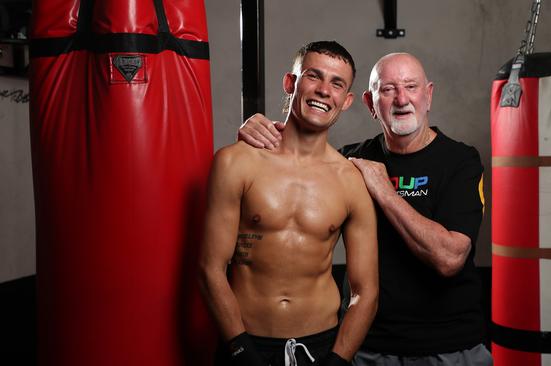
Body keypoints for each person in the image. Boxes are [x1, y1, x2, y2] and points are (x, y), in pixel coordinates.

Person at [238, 52, 491, 366]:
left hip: (450, 347)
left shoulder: (460, 161)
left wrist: (384, 190)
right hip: (368, 348)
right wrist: (257, 135)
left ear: (428, 95)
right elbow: (288, 189)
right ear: (371, 104)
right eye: (388, 90)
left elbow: (449, 258)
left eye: (411, 87)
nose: (401, 99)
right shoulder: (350, 161)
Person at [199, 41, 378, 366]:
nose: (324, 90)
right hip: (243, 342)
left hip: (321, 347)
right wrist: (242, 352)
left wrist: (339, 360)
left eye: (337, 83)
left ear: (347, 100)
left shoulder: (351, 180)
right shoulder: (235, 162)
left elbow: (366, 291)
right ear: (290, 83)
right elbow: (210, 268)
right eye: (314, 76)